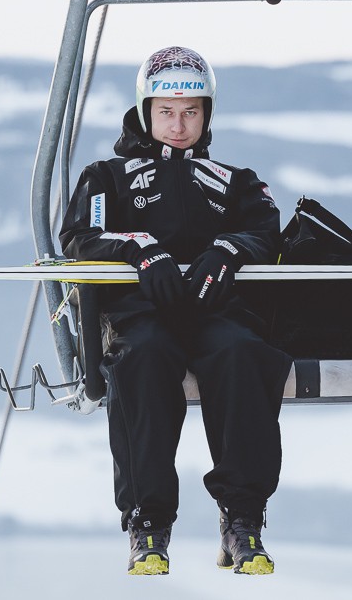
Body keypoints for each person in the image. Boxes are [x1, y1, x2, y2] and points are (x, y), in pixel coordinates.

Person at [59, 46, 291, 576]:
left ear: (207, 114)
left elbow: (265, 230)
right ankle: (148, 522)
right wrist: (140, 249)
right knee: (142, 360)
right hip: (142, 315)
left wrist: (227, 250)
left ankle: (242, 519)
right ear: (146, 112)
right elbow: (81, 236)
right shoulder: (108, 177)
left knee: (244, 355)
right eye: (166, 112)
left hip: (216, 312)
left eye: (191, 112)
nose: (179, 125)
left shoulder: (234, 180)